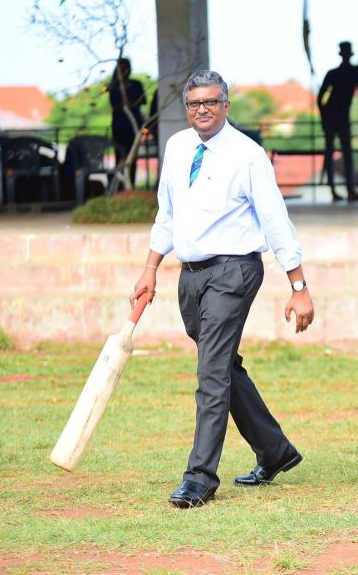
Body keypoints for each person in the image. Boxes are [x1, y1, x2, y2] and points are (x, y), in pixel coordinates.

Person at [131, 70, 314, 509]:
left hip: (234, 271)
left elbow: (275, 220)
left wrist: (299, 285)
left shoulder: (248, 155)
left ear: (226, 106)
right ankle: (274, 449)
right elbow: (167, 213)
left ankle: (199, 478)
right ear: (186, 108)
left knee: (211, 372)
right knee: (222, 364)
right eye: (194, 103)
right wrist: (150, 267)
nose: (203, 110)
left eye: (211, 102)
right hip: (190, 274)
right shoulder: (178, 147)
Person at [318, 41, 358, 202]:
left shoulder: (353, 72)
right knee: (334, 152)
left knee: (344, 153)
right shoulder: (338, 73)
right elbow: (320, 98)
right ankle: (337, 190)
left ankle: (347, 189)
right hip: (333, 116)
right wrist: (324, 117)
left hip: (340, 117)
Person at [109, 58, 147, 187]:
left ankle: (131, 185)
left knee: (132, 158)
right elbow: (115, 104)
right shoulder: (114, 86)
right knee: (120, 157)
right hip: (119, 127)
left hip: (134, 126)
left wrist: (131, 99)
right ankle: (119, 187)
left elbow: (143, 100)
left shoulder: (136, 84)